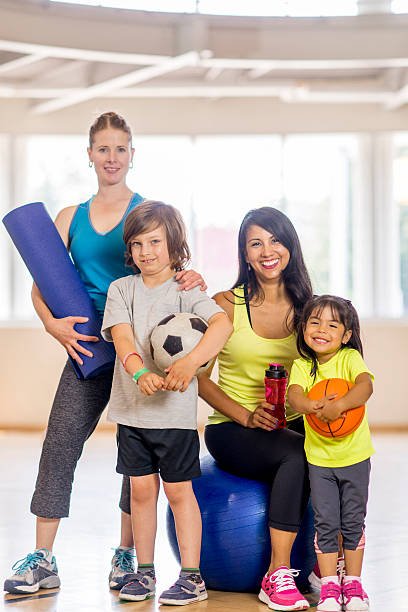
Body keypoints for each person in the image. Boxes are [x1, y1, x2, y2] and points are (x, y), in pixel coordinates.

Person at [3, 112, 205, 595]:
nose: (112, 158)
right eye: (103, 149)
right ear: (89, 154)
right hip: (90, 347)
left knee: (136, 457)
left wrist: (193, 278)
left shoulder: (146, 213)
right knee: (59, 445)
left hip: (144, 344)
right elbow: (42, 285)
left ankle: (127, 556)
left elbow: (176, 266)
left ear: (133, 154)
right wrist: (54, 325)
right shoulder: (70, 217)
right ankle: (43, 559)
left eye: (121, 149)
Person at [101, 200, 232, 605]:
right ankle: (144, 572)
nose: (146, 252)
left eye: (155, 241)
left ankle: (192, 577)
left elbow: (222, 323)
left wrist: (191, 363)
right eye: (138, 244)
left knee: (178, 493)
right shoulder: (121, 289)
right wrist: (139, 371)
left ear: (174, 245)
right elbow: (122, 336)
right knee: (141, 492)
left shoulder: (187, 289)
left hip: (173, 418)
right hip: (132, 414)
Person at [198, 206, 313, 611]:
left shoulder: (308, 308)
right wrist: (245, 415)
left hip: (293, 421)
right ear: (245, 254)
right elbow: (200, 378)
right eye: (256, 243)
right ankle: (277, 573)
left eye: (276, 240)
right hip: (232, 428)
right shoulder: (226, 305)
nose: (268, 251)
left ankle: (329, 563)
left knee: (341, 454)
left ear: (290, 247)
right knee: (297, 454)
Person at [287, 295, 374, 612]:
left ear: (346, 334)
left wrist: (341, 404)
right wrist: (308, 405)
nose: (321, 330)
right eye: (314, 322)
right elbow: (294, 394)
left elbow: (365, 387)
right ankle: (328, 586)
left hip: (355, 458)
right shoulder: (301, 366)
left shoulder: (350, 359)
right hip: (320, 461)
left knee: (352, 522)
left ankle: (353, 584)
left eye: (332, 324)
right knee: (325, 523)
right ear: (304, 328)